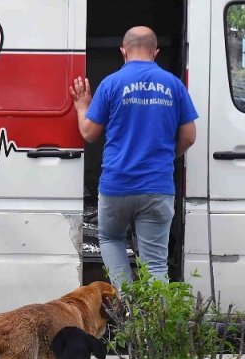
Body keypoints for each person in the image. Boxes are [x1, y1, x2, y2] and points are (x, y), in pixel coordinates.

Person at [71, 26, 199, 287]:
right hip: (157, 186)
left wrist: (82, 105)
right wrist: (164, 158)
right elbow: (189, 136)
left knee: (110, 239)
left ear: (123, 51)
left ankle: (127, 306)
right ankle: (156, 325)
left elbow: (89, 133)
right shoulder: (174, 84)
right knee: (155, 264)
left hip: (117, 185)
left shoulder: (111, 84)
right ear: (156, 52)